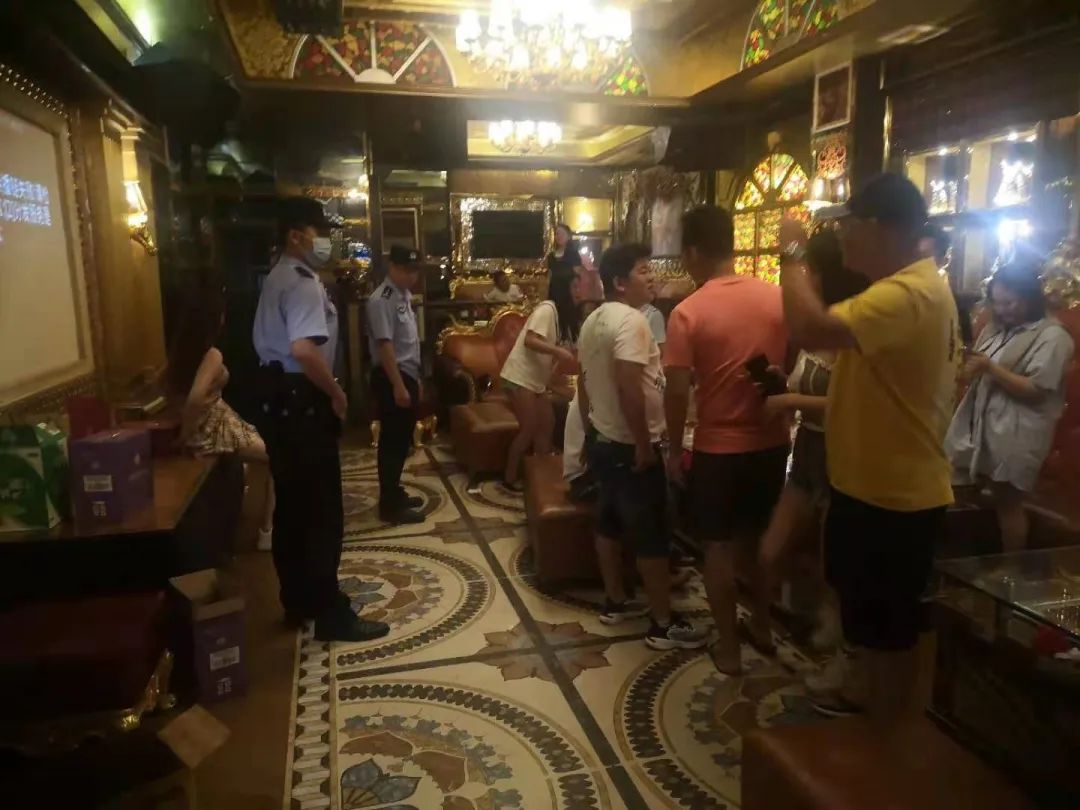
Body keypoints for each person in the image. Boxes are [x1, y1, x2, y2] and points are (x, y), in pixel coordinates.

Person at [778, 173, 962, 725]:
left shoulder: (908, 294)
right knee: (866, 616)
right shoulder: (899, 290)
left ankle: (886, 742)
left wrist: (793, 252)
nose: (842, 237)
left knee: (888, 631)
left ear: (881, 227)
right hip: (872, 486)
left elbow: (808, 327)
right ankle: (866, 706)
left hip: (896, 495)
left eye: (850, 225)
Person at [253, 197, 389, 643]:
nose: (327, 240)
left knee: (293, 509)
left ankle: (298, 601)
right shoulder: (303, 283)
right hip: (303, 403)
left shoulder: (276, 276)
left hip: (277, 401)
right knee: (322, 513)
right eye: (320, 232)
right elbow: (303, 349)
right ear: (297, 235)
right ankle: (331, 613)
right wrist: (336, 392)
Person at [664, 206, 790, 676]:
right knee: (756, 541)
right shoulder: (778, 298)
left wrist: (673, 450)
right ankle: (763, 627)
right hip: (773, 443)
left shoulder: (688, 312)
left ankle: (731, 651)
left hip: (718, 448)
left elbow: (677, 393)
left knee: (716, 547)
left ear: (694, 252)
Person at [577, 243, 707, 650]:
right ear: (620, 282)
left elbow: (583, 382)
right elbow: (628, 386)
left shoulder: (593, 319)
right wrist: (643, 445)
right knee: (651, 534)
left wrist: (589, 430)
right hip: (630, 445)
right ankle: (662, 624)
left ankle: (615, 602)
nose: (652, 277)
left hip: (603, 439)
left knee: (608, 522)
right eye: (643, 270)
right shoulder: (632, 322)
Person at [756, 230, 868, 674]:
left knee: (834, 565)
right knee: (771, 549)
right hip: (807, 450)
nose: (805, 279)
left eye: (811, 271)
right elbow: (810, 387)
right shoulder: (813, 328)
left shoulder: (849, 326)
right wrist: (781, 382)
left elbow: (850, 402)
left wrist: (790, 400)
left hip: (842, 452)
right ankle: (777, 624)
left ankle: (841, 657)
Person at [946, 258, 1074, 552]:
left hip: (1018, 431)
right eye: (997, 302)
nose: (1002, 310)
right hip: (980, 424)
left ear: (1029, 298)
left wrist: (990, 368)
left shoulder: (1054, 336)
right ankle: (967, 562)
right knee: (958, 489)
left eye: (1009, 303)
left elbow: (1036, 390)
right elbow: (976, 365)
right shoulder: (996, 328)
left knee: (1008, 502)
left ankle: (1011, 567)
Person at [169, 289, 275, 551]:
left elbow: (163, 386)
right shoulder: (212, 354)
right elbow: (195, 398)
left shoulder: (181, 353)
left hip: (210, 426)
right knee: (279, 455)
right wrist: (186, 433)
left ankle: (265, 527)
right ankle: (268, 531)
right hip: (214, 430)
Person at [499, 269, 581, 490]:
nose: (579, 293)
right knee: (529, 428)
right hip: (519, 376)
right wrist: (557, 351)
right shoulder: (547, 309)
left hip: (536, 381)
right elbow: (530, 340)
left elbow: (567, 353)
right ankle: (509, 478)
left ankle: (539, 478)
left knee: (548, 424)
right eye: (575, 287)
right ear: (564, 290)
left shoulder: (563, 319)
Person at [366, 245, 427, 524]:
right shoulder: (382, 299)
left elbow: (410, 342)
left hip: (407, 373)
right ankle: (389, 505)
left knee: (402, 441)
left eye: (415, 271)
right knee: (392, 442)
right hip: (392, 376)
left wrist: (416, 379)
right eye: (406, 270)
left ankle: (394, 491)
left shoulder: (403, 295)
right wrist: (399, 385)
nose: (412, 276)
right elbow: (385, 345)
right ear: (392, 267)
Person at [547, 223, 602, 303]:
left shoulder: (573, 253)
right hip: (554, 291)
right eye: (557, 234)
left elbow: (577, 274)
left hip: (569, 293)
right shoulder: (551, 256)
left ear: (568, 236)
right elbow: (549, 275)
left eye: (562, 234)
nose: (559, 236)